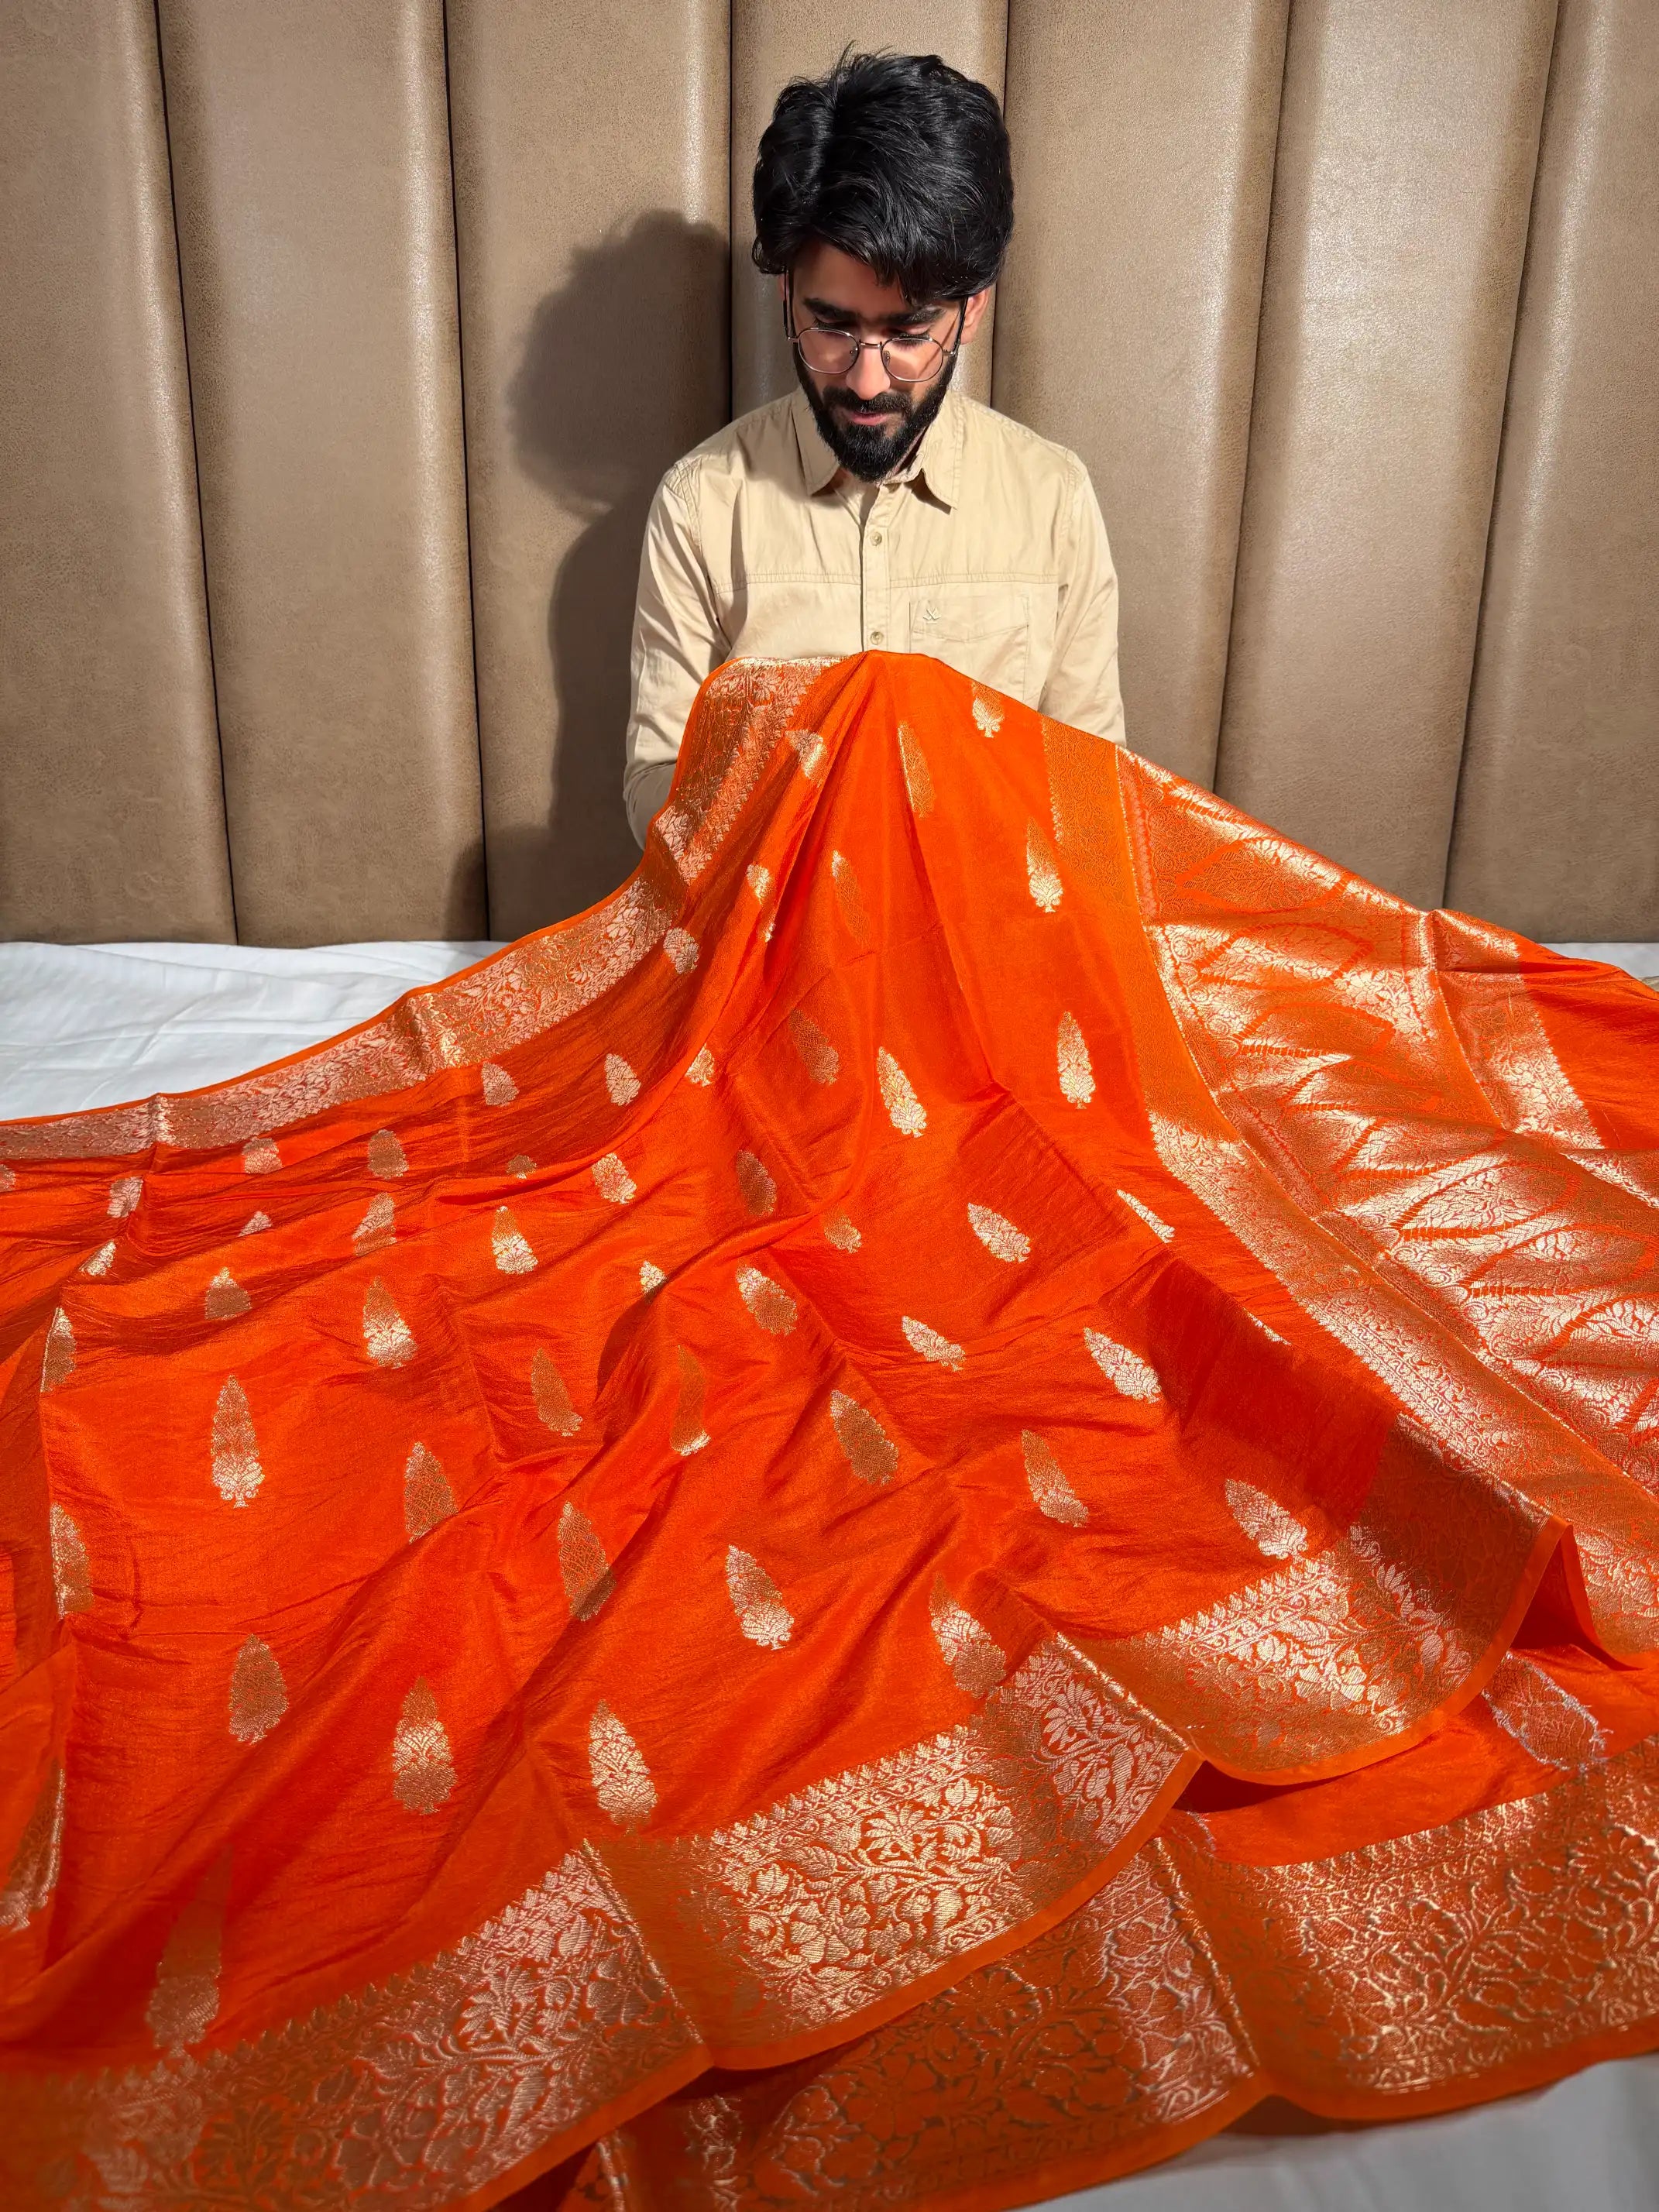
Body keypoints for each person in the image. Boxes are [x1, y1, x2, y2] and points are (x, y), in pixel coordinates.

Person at [623, 50, 1125, 847]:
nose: (864, 382)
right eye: (833, 327)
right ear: (787, 293)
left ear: (974, 311)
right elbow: (658, 785)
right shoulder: (701, 503)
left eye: (909, 334)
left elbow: (1093, 795)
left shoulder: (1054, 497)